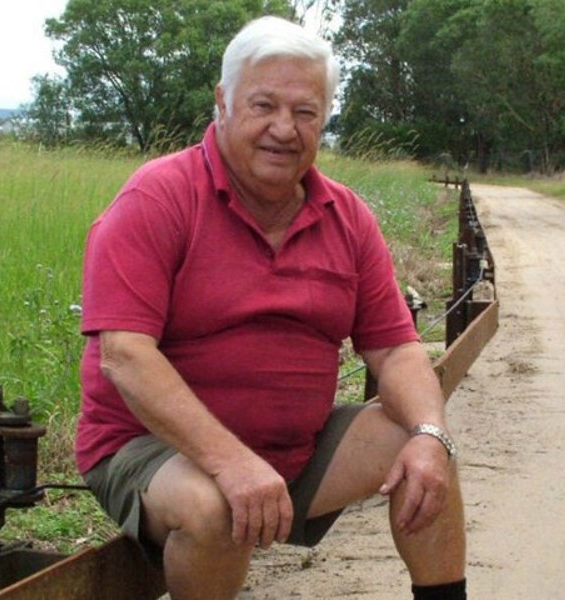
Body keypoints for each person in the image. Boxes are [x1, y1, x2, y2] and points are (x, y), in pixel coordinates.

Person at [75, 15, 466, 600]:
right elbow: (125, 356)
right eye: (264, 106)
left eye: (305, 112)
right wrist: (231, 462)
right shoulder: (157, 199)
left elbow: (395, 349)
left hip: (294, 449)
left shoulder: (347, 216)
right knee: (215, 510)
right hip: (154, 448)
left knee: (425, 456)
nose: (284, 129)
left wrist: (431, 435)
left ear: (324, 119)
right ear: (223, 102)